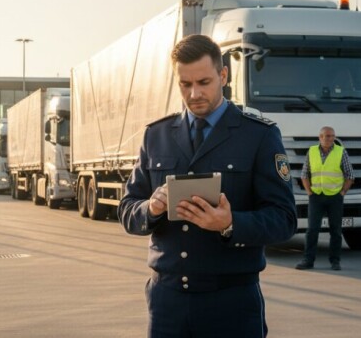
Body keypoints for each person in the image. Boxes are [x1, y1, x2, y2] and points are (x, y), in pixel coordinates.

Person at [118, 34, 297, 337]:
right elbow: (127, 209)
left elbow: (284, 219)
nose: (194, 93)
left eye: (204, 82)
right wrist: (150, 208)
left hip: (231, 302)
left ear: (223, 76)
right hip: (168, 302)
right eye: (185, 84)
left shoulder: (258, 135)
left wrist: (230, 223)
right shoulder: (156, 135)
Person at [295, 126, 354, 271]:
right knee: (312, 230)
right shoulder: (312, 151)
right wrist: (309, 192)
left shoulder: (341, 152)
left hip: (335, 197)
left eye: (332, 136)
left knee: (336, 231)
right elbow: (304, 174)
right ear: (320, 137)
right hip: (316, 196)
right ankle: (308, 260)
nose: (330, 138)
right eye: (327, 136)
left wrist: (342, 193)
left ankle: (335, 261)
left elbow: (350, 175)